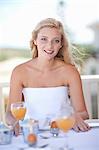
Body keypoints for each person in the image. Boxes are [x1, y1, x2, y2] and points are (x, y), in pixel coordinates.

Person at [6, 18, 90, 136]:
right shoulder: (19, 72)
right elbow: (10, 112)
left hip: (64, 132)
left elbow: (83, 113)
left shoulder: (70, 71)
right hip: (32, 134)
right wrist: (13, 121)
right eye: (43, 39)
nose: (49, 46)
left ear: (61, 44)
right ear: (35, 40)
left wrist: (74, 116)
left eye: (55, 41)